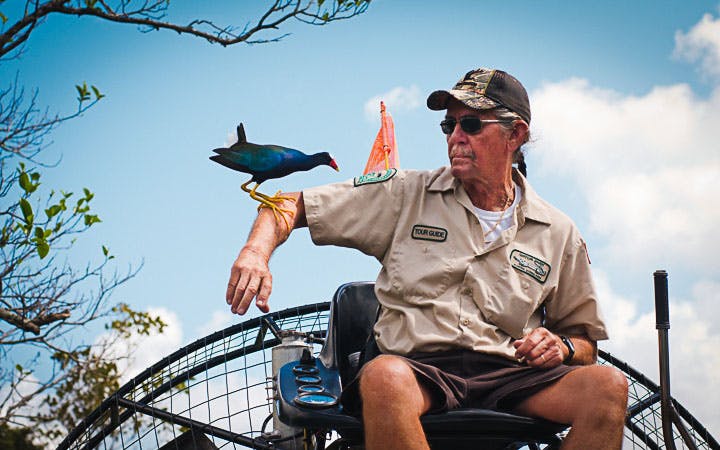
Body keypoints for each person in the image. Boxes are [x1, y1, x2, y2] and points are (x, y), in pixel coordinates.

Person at [225, 68, 629, 450]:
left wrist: (561, 346)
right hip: (418, 371)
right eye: (448, 125)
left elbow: (585, 344)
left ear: (515, 135)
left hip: (512, 377)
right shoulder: (405, 194)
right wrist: (255, 253)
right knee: (384, 377)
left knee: (608, 387)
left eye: (471, 124)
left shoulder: (558, 231)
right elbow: (291, 204)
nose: (455, 136)